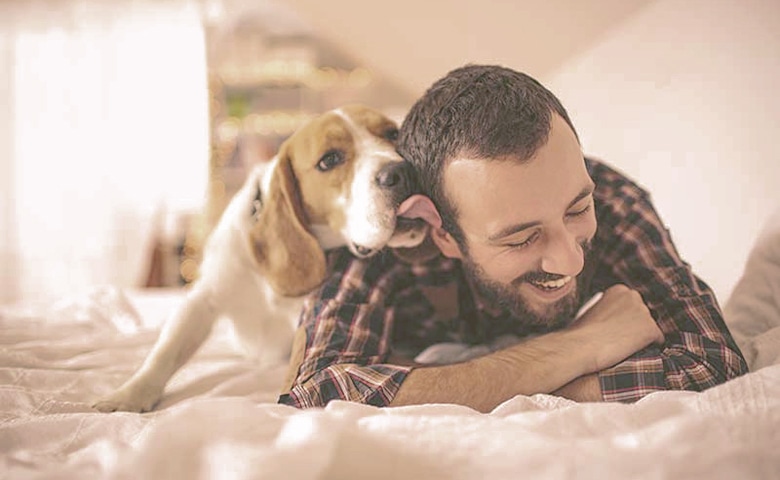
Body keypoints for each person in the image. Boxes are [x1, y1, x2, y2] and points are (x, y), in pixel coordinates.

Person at [277, 64, 748, 412]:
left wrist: (445, 388)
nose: (570, 261)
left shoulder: (614, 199)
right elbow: (316, 395)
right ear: (441, 232)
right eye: (521, 238)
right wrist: (581, 346)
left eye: (578, 210)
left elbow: (711, 363)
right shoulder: (387, 234)